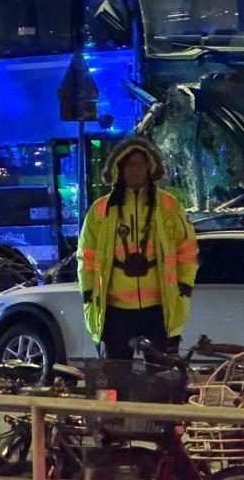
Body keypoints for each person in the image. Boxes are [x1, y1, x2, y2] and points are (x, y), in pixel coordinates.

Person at [76, 137, 199, 360]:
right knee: (115, 376)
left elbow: (187, 249)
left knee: (162, 376)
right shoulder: (101, 209)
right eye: (129, 164)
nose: (135, 169)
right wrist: (87, 292)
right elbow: (86, 256)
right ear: (119, 168)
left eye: (140, 164)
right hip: (115, 312)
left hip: (158, 309)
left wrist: (184, 286)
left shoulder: (168, 205)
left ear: (149, 168)